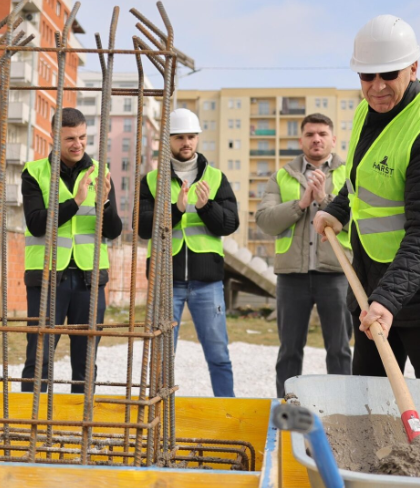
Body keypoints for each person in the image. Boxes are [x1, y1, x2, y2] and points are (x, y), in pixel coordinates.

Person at [313, 15, 420, 381]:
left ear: (413, 67)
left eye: (388, 74)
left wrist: (387, 299)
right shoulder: (364, 111)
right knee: (369, 393)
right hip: (374, 282)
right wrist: (337, 210)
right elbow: (361, 179)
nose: (377, 87)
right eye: (367, 76)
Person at [138, 108, 239, 397]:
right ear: (168, 140)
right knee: (162, 356)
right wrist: (176, 210)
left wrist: (207, 206)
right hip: (165, 282)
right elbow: (143, 227)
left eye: (191, 137)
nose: (186, 143)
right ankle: (159, 411)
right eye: (180, 137)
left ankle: (226, 408)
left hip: (208, 283)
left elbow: (230, 224)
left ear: (198, 139)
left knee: (218, 354)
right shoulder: (151, 181)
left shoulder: (217, 178)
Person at [21, 108, 121, 393]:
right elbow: (37, 224)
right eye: (70, 139)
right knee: (38, 357)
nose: (77, 144)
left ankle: (80, 425)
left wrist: (104, 204)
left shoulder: (102, 173)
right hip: (48, 277)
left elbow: (113, 231)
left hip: (90, 279)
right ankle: (31, 424)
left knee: (86, 360)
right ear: (55, 137)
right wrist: (76, 201)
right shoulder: (34, 173)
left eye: (82, 137)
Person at [255, 113, 352, 397]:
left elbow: (358, 219)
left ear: (334, 139)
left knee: (339, 349)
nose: (316, 139)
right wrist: (301, 203)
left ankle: (341, 413)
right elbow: (265, 220)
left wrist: (325, 201)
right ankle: (287, 412)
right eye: (310, 134)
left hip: (335, 274)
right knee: (289, 352)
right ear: (301, 140)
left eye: (322, 133)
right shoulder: (282, 175)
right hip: (291, 278)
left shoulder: (348, 174)